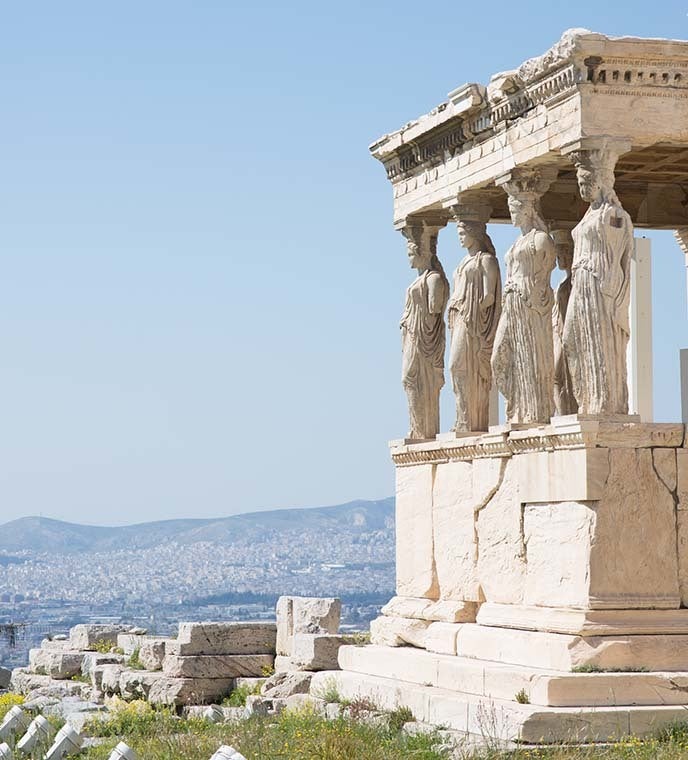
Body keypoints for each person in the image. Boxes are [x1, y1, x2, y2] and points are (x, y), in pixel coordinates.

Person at [563, 149, 633, 416]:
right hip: (581, 282)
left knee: (600, 340)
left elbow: (619, 253)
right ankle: (588, 400)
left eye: (586, 183)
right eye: (580, 183)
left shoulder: (612, 215)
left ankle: (605, 403)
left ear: (601, 182)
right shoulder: (589, 216)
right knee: (571, 338)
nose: (582, 189)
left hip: (600, 282)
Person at [491, 194, 556, 424]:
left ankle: (534, 412)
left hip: (529, 304)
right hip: (511, 304)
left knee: (531, 356)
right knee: (499, 356)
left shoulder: (540, 240)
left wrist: (535, 298)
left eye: (515, 208)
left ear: (528, 210)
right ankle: (517, 405)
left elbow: (546, 272)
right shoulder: (516, 243)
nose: (511, 213)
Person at [448, 220, 501, 432]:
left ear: (475, 232)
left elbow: (489, 296)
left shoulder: (487, 260)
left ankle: (471, 420)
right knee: (457, 368)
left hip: (473, 320)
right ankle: (463, 417)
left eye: (463, 233)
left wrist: (473, 310)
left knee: (458, 365)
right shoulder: (462, 263)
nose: (460, 237)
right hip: (459, 317)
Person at [400, 225, 449, 439]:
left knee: (415, 378)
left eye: (412, 253)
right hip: (412, 334)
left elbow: (434, 310)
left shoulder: (433, 279)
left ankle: (425, 429)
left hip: (423, 338)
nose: (409, 258)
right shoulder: (421, 280)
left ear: (423, 253)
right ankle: (419, 428)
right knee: (410, 379)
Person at [551, 229, 578, 416]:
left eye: (562, 252)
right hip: (558, 333)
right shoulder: (563, 284)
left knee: (559, 373)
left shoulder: (575, 283)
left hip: (571, 335)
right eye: (558, 252)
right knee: (555, 374)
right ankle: (562, 413)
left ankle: (567, 412)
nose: (559, 257)